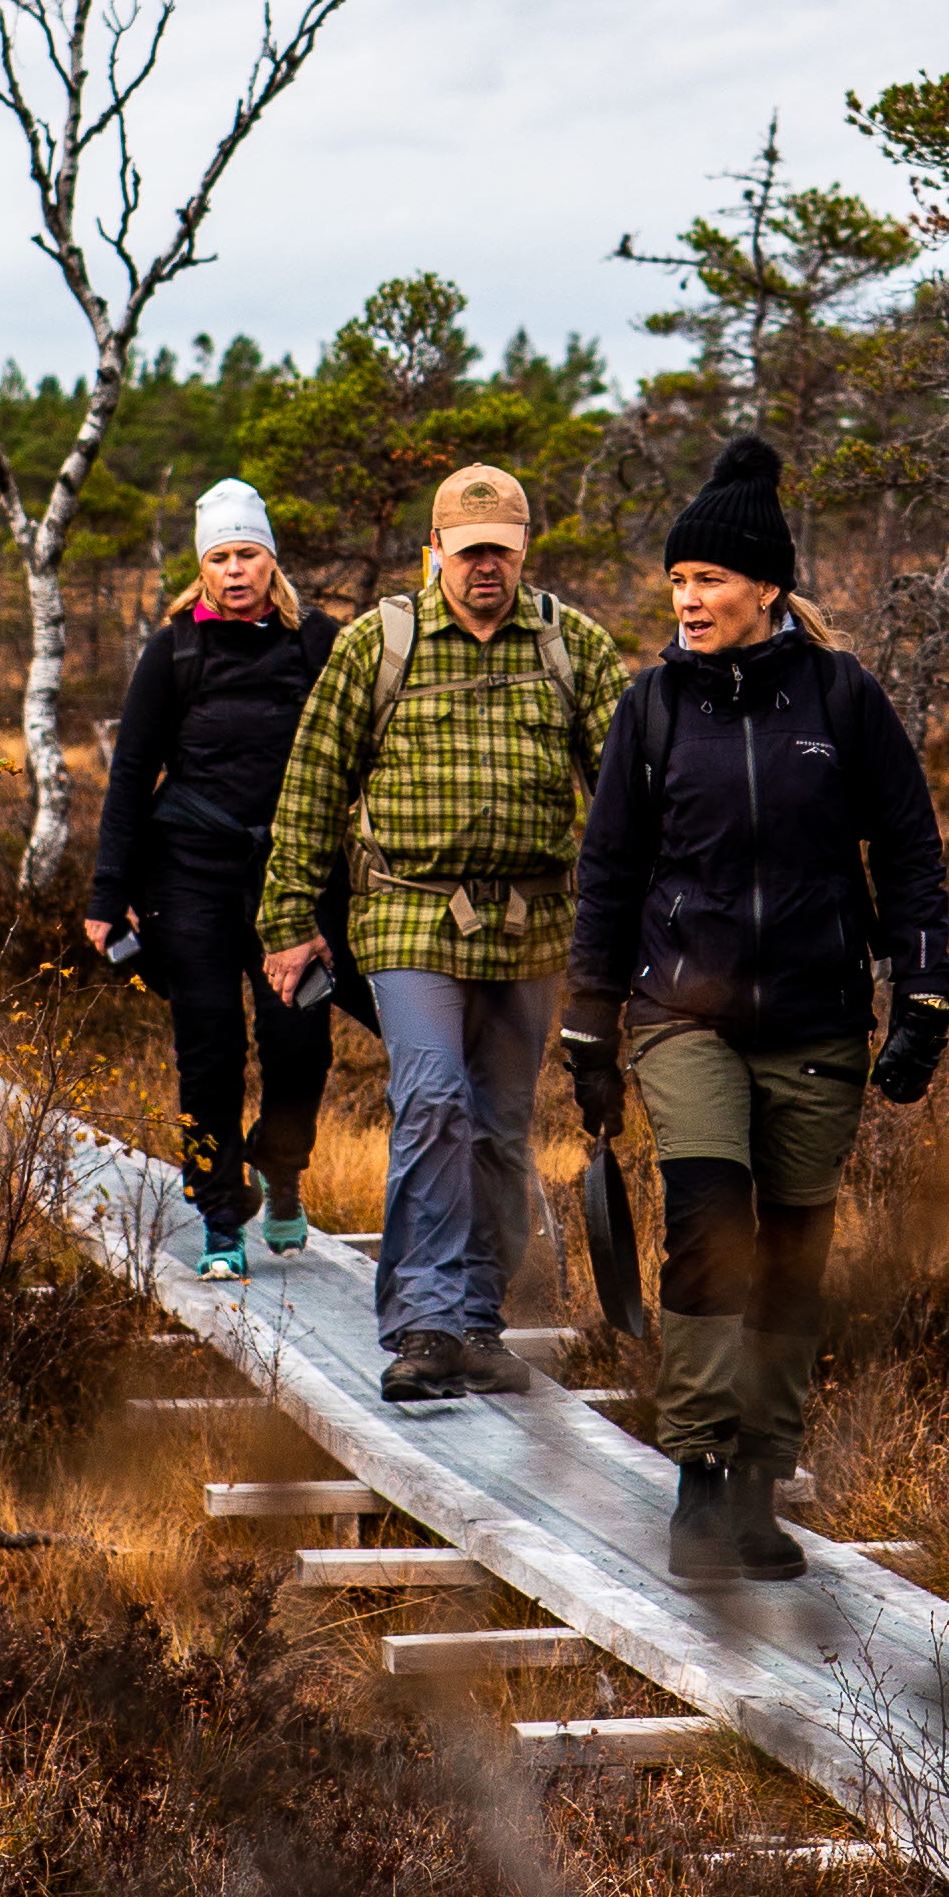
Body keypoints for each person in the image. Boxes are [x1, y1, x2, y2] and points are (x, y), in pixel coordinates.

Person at [561, 435, 949, 1579]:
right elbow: (609, 873)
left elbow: (913, 849)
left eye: (710, 581)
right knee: (709, 1225)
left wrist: (923, 991)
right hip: (683, 1012)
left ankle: (754, 1484)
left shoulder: (843, 698)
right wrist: (591, 1026)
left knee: (793, 1255)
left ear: (767, 588)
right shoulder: (650, 710)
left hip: (820, 1021)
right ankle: (692, 1473)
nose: (688, 600)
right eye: (678, 582)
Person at [259, 464, 621, 1403]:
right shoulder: (381, 642)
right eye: (466, 553)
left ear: (524, 546)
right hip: (410, 913)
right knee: (432, 1101)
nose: (483, 568)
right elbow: (309, 785)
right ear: (437, 551)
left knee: (502, 1128)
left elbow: (628, 800)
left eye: (499, 548)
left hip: (533, 922)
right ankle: (421, 1323)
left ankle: (475, 1321)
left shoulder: (571, 645)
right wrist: (290, 921)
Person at [82, 478, 366, 1280]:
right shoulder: (173, 650)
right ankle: (217, 1214)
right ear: (202, 567)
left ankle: (280, 1168)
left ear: (270, 559)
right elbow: (133, 772)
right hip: (190, 874)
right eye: (219, 557)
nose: (234, 570)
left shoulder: (316, 642)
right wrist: (109, 891)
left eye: (247, 554)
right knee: (207, 1045)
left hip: (292, 874)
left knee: (300, 1042)